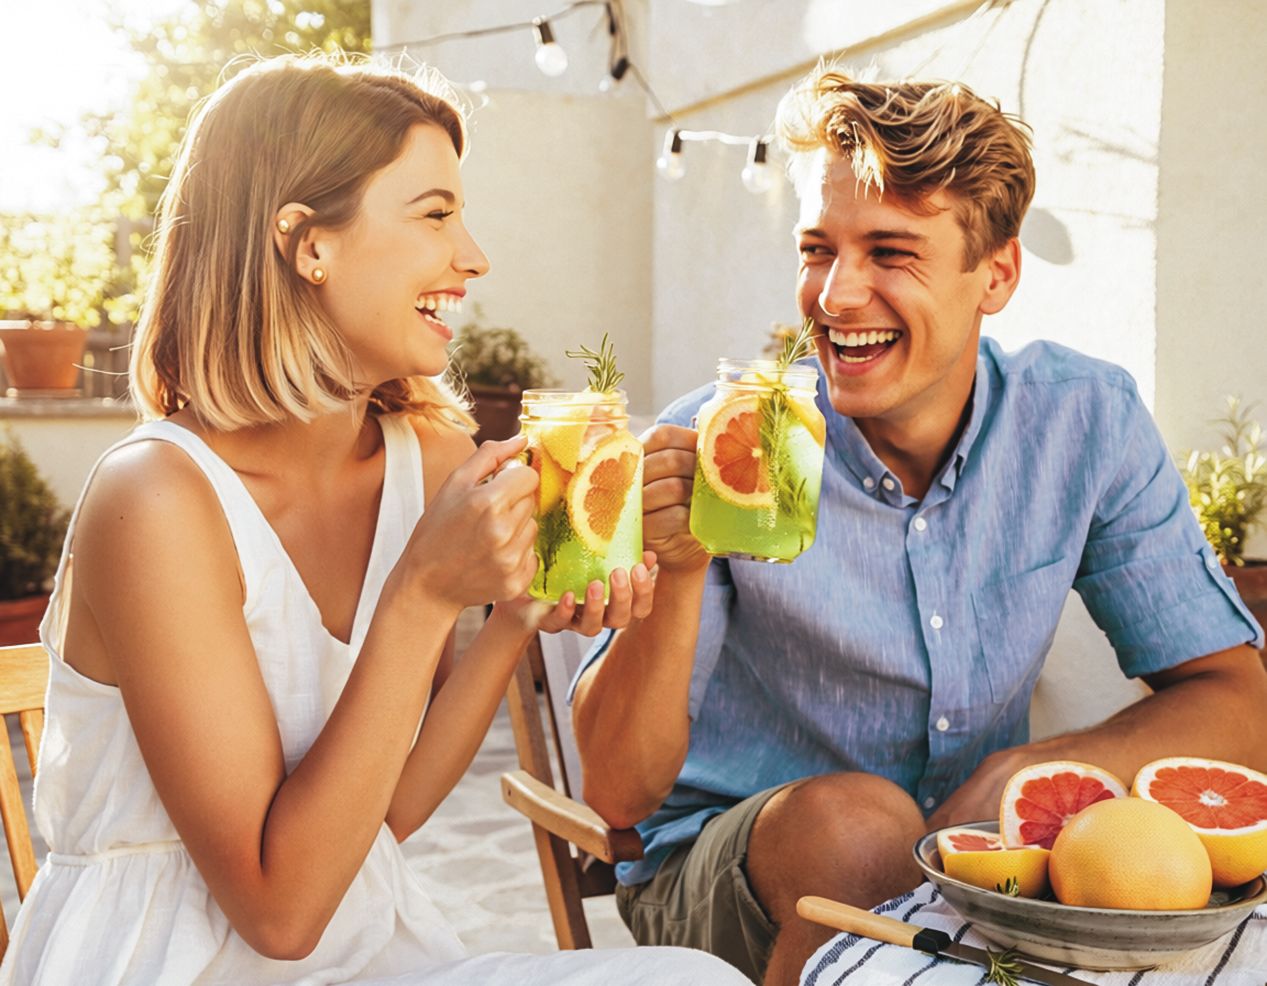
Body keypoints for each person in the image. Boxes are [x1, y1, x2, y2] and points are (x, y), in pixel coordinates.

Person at [0, 54, 748, 986]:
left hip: (368, 954)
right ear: (307, 243)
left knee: (693, 980)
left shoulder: (426, 463)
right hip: (169, 964)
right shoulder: (155, 500)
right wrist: (427, 591)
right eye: (435, 215)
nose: (473, 255)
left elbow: (383, 812)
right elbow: (278, 911)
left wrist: (513, 610)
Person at [570, 67, 1267, 986]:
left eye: (889, 254)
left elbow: (1235, 702)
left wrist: (1031, 765)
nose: (834, 296)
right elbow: (617, 794)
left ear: (997, 274)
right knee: (863, 830)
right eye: (818, 249)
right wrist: (684, 566)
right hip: (728, 864)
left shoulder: (1083, 421)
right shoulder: (726, 440)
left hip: (979, 863)